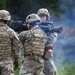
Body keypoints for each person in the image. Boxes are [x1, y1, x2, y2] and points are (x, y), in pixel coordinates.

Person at [37, 8, 58, 75]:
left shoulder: (51, 28)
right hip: (35, 54)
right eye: (40, 16)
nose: (42, 18)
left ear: (47, 17)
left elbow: (52, 39)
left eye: (43, 16)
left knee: (51, 71)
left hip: (46, 55)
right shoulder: (34, 27)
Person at [0, 10, 20, 75]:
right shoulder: (11, 32)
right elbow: (16, 47)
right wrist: (16, 61)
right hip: (7, 62)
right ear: (7, 19)